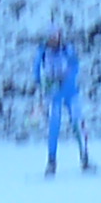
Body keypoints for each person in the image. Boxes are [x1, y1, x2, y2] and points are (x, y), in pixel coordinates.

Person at [36, 27, 91, 175]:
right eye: (51, 37)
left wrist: (65, 77)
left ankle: (84, 157)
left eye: (56, 36)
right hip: (55, 95)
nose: (53, 40)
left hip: (71, 93)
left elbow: (75, 67)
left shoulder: (67, 49)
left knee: (77, 124)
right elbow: (37, 72)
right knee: (54, 127)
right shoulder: (42, 51)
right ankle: (51, 161)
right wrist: (44, 84)